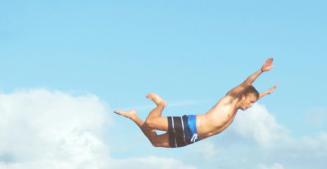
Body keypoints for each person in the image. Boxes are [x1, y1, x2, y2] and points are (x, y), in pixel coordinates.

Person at [115, 58, 277, 148]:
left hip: (193, 137)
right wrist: (261, 71)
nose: (250, 106)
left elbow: (251, 95)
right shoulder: (230, 99)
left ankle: (134, 117)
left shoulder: (237, 107)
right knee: (150, 122)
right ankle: (161, 105)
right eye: (250, 102)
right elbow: (246, 84)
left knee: (156, 142)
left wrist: (266, 93)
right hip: (190, 125)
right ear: (241, 96)